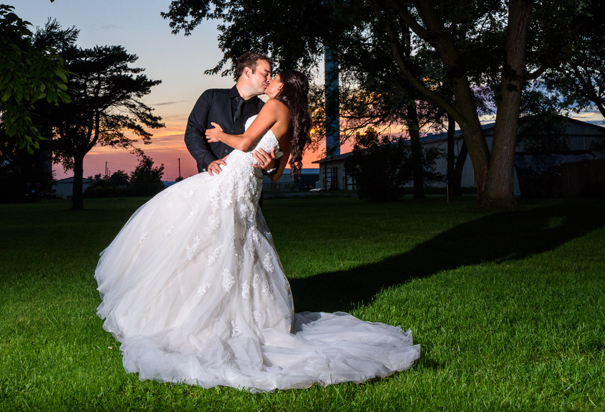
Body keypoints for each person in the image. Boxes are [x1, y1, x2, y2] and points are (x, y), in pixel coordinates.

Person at [94, 70, 420, 392]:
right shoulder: (291, 117)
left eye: (274, 76)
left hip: (234, 176)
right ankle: (216, 305)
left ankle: (196, 309)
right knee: (224, 241)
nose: (269, 80)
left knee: (194, 227)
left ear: (284, 85)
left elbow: (248, 141)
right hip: (249, 181)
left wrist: (220, 136)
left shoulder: (275, 106)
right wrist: (265, 163)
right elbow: (277, 172)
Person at [184, 51, 277, 176]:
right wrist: (209, 161)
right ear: (247, 72)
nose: (270, 80)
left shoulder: (265, 111)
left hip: (245, 184)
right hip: (208, 179)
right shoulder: (211, 97)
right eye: (266, 74)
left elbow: (273, 149)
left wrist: (271, 166)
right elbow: (192, 132)